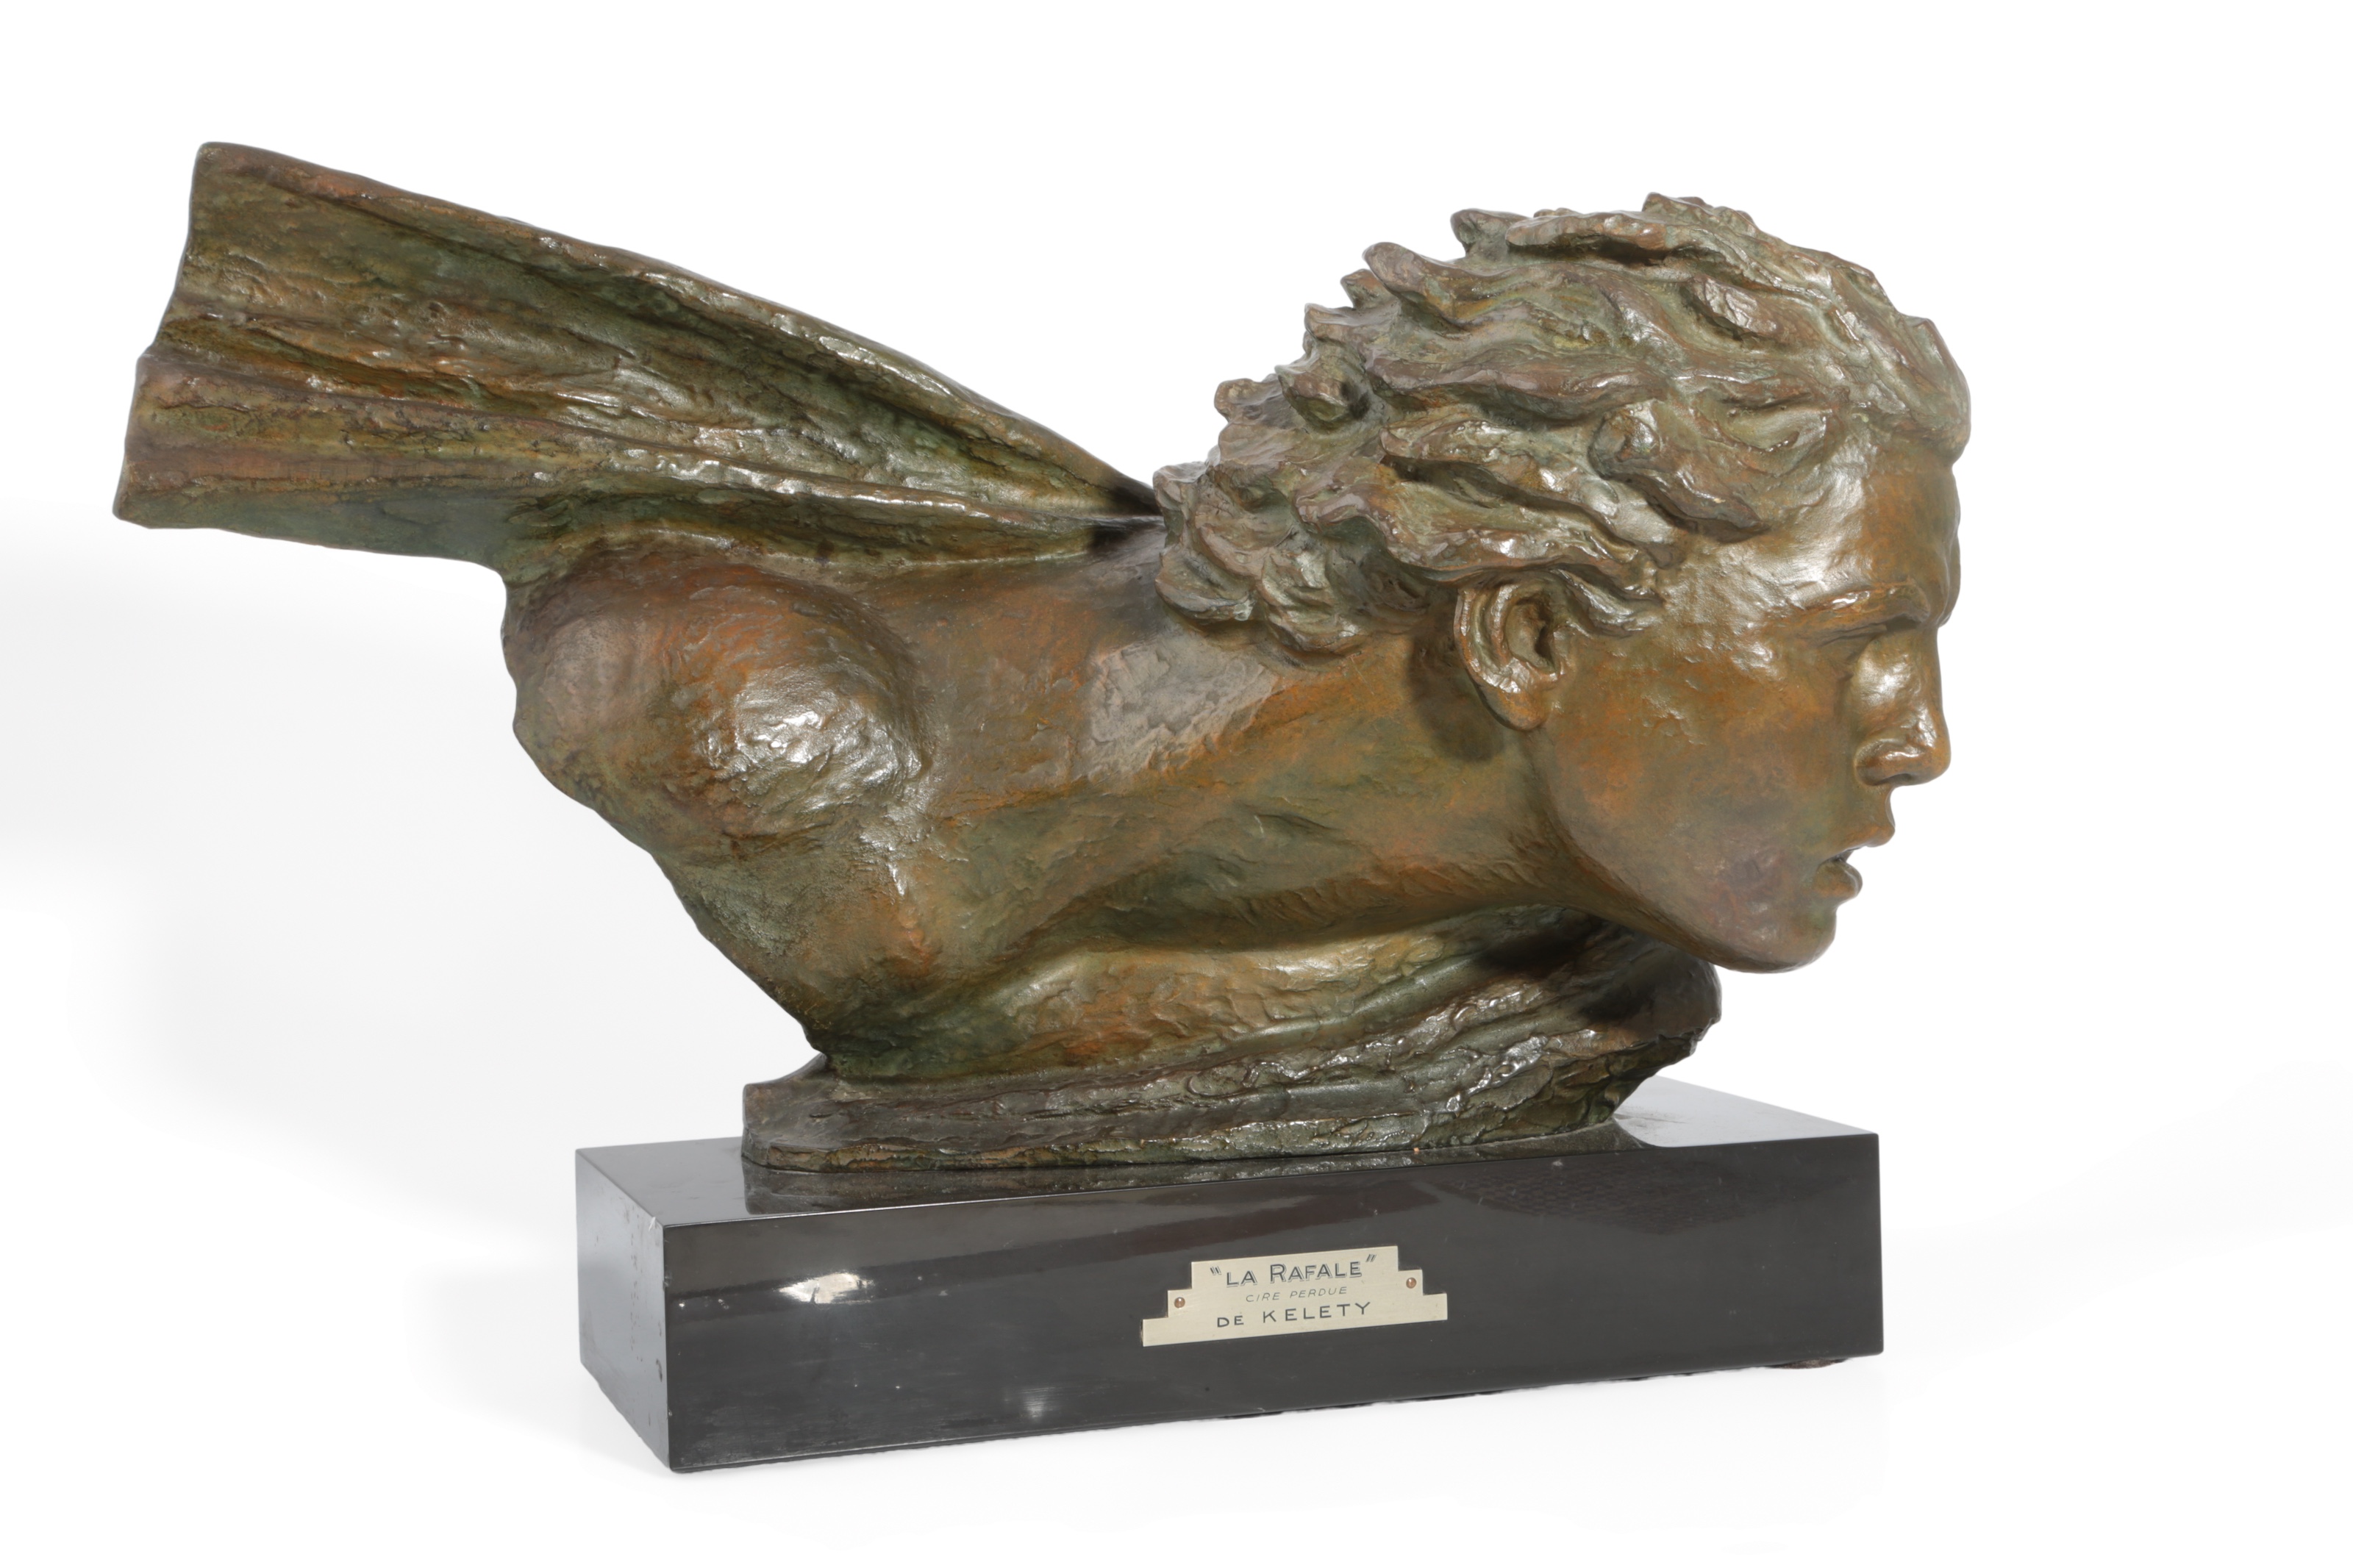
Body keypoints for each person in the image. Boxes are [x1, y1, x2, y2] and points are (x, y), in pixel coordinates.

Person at [120, 148, 1964, 1167]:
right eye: (1858, 650)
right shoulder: (780, 727)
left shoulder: (1584, 967)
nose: (1921, 739)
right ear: (1526, 631)